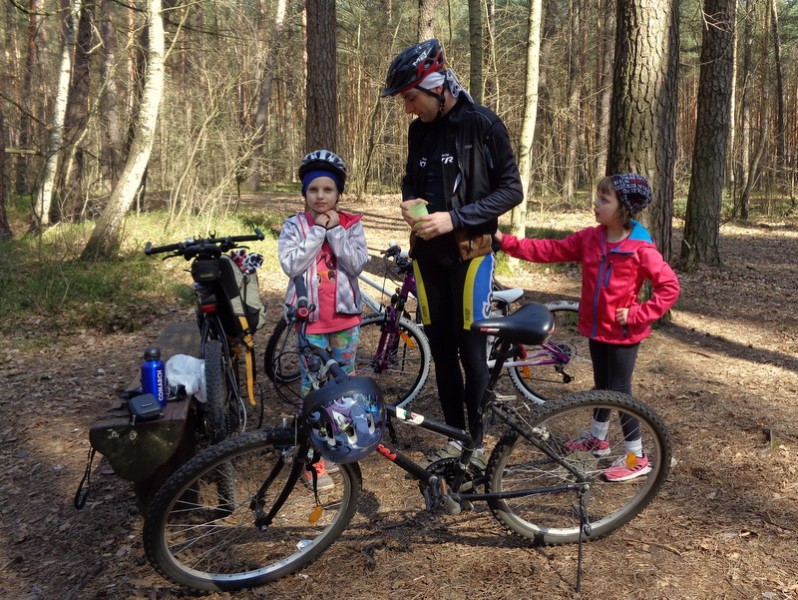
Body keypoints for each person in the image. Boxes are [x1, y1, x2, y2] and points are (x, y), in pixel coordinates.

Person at [381, 39, 523, 467]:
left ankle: (476, 446)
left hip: (471, 255)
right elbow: (411, 178)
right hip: (427, 257)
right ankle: (454, 439)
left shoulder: (483, 124)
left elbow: (511, 191)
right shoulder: (419, 130)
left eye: (411, 98)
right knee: (441, 353)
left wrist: (454, 218)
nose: (408, 109)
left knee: (471, 354)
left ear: (437, 87)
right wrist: (409, 200)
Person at [495, 173, 680, 481]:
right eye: (597, 197)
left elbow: (669, 287)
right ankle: (598, 439)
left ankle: (636, 457)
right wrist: (506, 242)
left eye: (604, 200)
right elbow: (549, 250)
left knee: (620, 393)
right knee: (602, 386)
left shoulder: (640, 248)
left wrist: (638, 314)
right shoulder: (591, 239)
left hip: (623, 335)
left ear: (623, 208)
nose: (595, 203)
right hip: (596, 329)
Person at [278, 149, 369, 489]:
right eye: (313, 189)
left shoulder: (352, 225)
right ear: (304, 192)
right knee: (312, 388)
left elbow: (357, 264)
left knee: (343, 385)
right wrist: (317, 232)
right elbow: (291, 264)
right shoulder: (295, 226)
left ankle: (339, 443)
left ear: (338, 193)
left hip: (345, 322)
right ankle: (313, 457)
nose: (320, 196)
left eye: (328, 190)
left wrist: (336, 233)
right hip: (310, 324)